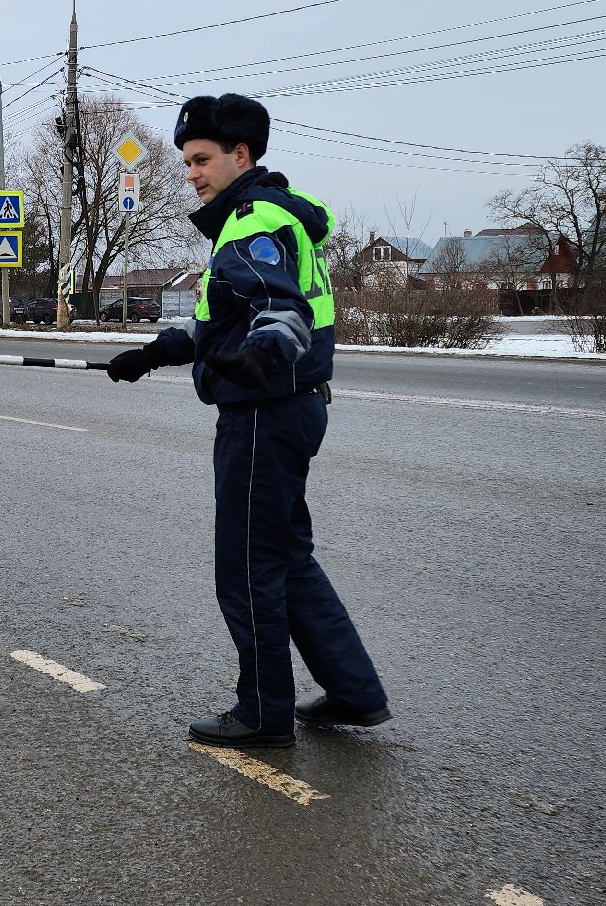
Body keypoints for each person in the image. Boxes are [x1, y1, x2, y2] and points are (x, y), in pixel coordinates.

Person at [106, 93, 390, 749]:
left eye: (202, 159)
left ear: (241, 154)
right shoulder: (274, 216)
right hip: (292, 406)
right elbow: (220, 320)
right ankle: (354, 690)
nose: (192, 173)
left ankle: (262, 712)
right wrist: (154, 353)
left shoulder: (251, 223)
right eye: (186, 161)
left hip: (263, 413)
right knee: (287, 559)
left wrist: (263, 354)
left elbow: (279, 308)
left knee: (247, 568)